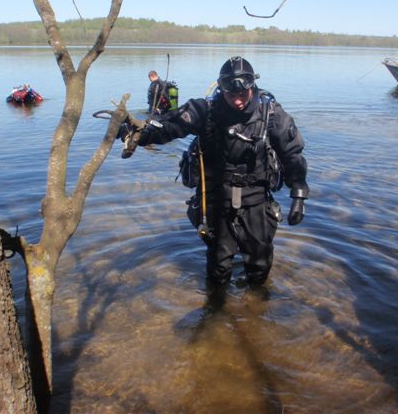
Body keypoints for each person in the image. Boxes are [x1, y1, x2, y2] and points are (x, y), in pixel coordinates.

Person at [123, 57, 308, 286]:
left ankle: (256, 305)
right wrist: (136, 133)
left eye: (243, 95)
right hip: (216, 199)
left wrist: (298, 193)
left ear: (252, 87)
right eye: (231, 95)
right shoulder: (205, 110)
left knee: (260, 263)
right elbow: (170, 126)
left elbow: (292, 154)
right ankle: (215, 310)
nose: (238, 101)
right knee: (219, 265)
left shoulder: (272, 114)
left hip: (256, 199)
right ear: (221, 89)